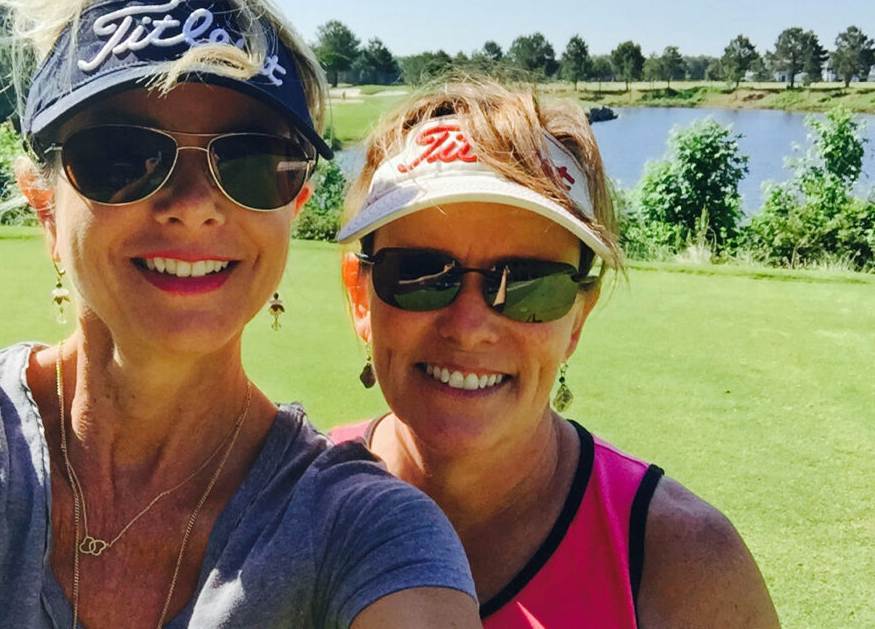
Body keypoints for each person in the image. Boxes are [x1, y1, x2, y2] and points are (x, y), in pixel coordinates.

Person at [0, 0, 482, 627]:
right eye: (122, 156)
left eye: (253, 159)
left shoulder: (368, 528)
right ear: (45, 205)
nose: (194, 204)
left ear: (294, 206)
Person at [331, 79, 781, 628]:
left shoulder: (685, 563)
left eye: (529, 285)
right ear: (360, 296)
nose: (471, 328)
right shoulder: (282, 501)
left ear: (577, 319)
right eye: (422, 274)